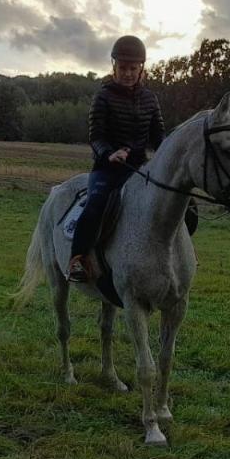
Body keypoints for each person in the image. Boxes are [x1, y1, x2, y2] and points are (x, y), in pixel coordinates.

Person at [67, 35, 164, 282]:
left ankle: (178, 254)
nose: (128, 73)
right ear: (114, 67)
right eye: (123, 68)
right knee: (95, 205)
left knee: (173, 202)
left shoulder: (150, 99)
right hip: (107, 169)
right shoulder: (103, 97)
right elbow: (95, 136)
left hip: (139, 168)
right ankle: (77, 259)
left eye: (133, 68)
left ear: (141, 68)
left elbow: (159, 138)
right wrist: (109, 153)